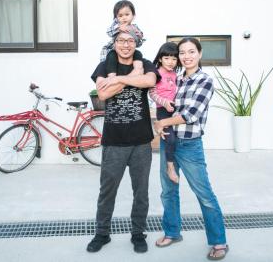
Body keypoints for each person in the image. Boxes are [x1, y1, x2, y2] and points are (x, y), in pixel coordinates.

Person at [153, 37, 229, 260]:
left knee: (204, 194)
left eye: (191, 52)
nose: (186, 56)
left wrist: (162, 123)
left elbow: (190, 115)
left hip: (190, 145)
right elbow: (159, 100)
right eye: (182, 53)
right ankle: (172, 232)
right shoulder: (176, 79)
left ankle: (218, 241)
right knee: (168, 191)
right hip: (169, 142)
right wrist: (162, 124)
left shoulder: (204, 80)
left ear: (200, 54)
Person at [87, 30, 160, 254]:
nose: (125, 45)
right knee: (107, 191)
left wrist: (117, 79)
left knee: (141, 191)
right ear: (114, 43)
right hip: (114, 142)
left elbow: (149, 80)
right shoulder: (103, 66)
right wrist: (131, 79)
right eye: (121, 40)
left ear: (136, 43)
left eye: (130, 41)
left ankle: (138, 234)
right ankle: (102, 234)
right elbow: (102, 93)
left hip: (141, 142)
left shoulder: (145, 64)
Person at [149, 42, 181, 184]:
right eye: (167, 58)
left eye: (174, 59)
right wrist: (164, 102)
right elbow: (152, 93)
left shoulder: (175, 74)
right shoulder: (156, 73)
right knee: (171, 139)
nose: (171, 62)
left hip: (175, 109)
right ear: (161, 58)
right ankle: (170, 167)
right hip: (163, 110)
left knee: (177, 138)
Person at [100, 0, 146, 77]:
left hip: (129, 52)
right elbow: (109, 32)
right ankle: (112, 77)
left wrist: (139, 35)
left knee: (138, 53)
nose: (124, 18)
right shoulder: (117, 25)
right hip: (114, 50)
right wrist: (118, 28)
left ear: (133, 16)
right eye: (120, 16)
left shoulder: (134, 27)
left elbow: (138, 43)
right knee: (111, 57)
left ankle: (137, 72)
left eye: (127, 14)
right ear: (116, 18)